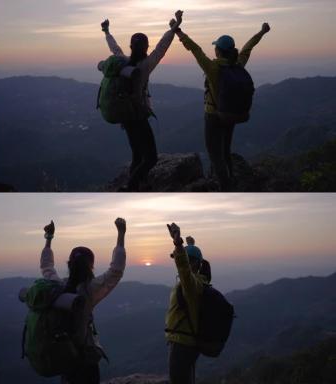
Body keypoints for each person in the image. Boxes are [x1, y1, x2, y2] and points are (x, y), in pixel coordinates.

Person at [173, 17, 270, 190]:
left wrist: (178, 31)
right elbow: (248, 48)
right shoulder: (238, 64)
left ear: (218, 51)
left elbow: (195, 49)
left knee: (215, 154)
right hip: (232, 115)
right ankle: (230, 178)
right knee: (225, 149)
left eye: (216, 47)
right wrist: (261, 32)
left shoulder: (213, 68)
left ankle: (225, 186)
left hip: (214, 116)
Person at [100, 11, 183, 191]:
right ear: (145, 48)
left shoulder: (123, 62)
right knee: (151, 157)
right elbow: (161, 49)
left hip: (126, 116)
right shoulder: (144, 67)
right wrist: (174, 28)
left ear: (131, 46)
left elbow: (114, 49)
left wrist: (107, 32)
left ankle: (137, 185)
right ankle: (132, 186)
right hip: (138, 116)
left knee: (137, 154)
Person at [40, 218, 127, 384]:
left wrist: (48, 238)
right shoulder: (89, 290)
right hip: (85, 359)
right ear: (90, 266)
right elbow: (116, 270)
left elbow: (47, 267)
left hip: (64, 355)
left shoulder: (58, 286)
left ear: (70, 264)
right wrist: (121, 234)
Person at [164, 223, 209, 384]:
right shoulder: (198, 282)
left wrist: (178, 243)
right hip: (187, 342)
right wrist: (191, 246)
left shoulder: (191, 284)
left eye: (178, 257)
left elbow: (184, 267)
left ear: (194, 264)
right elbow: (190, 263)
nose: (176, 260)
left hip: (182, 343)